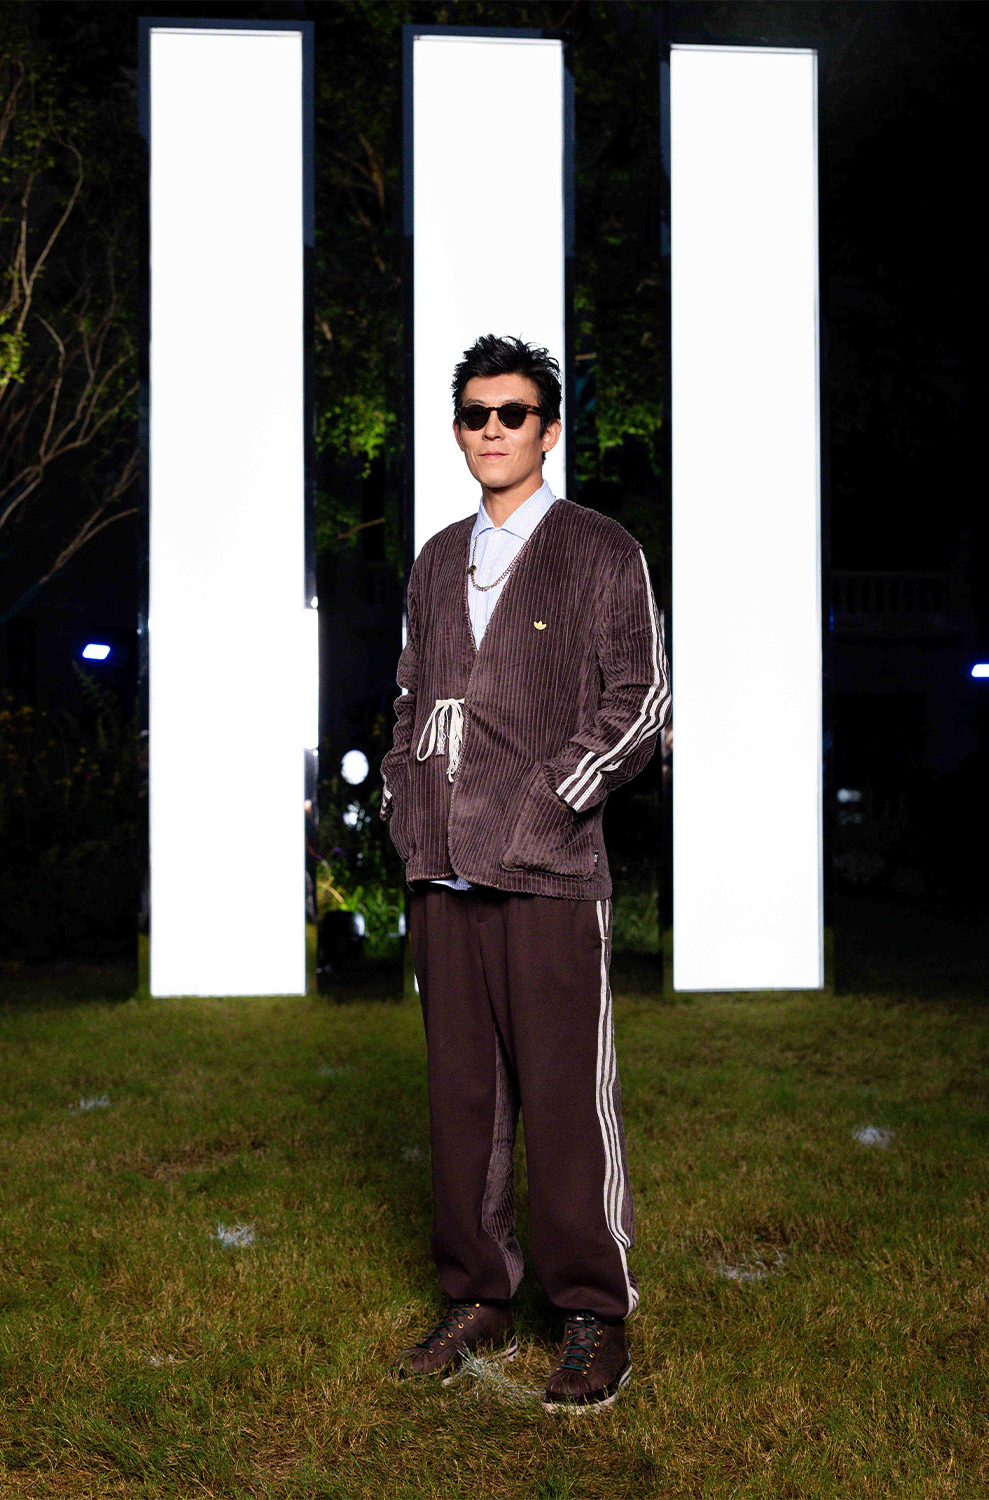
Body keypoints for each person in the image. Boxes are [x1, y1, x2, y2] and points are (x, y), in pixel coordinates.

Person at [379, 333, 671, 1413]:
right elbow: (409, 695)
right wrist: (406, 798)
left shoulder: (600, 549)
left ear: (547, 430)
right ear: (458, 431)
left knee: (563, 1099)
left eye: (512, 413)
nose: (492, 429)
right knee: (462, 1098)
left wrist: (549, 801)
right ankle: (478, 1295)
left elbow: (640, 705)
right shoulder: (434, 558)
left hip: (548, 870)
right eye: (475, 414)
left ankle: (592, 1311)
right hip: (443, 872)